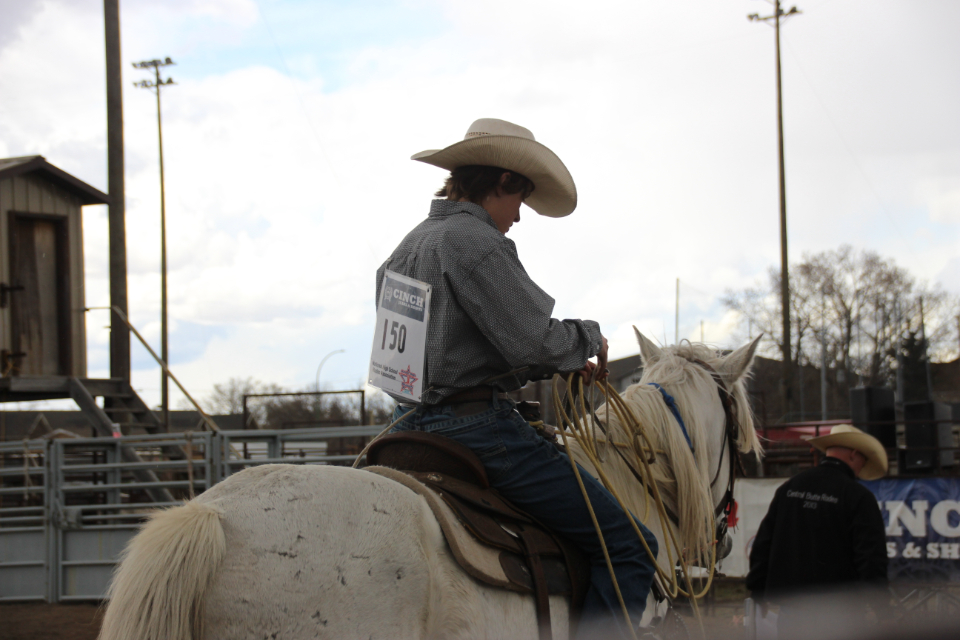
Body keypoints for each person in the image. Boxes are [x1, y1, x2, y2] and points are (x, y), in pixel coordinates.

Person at [377, 118, 658, 638]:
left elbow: (471, 348)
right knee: (632, 547)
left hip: (404, 428)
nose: (518, 219)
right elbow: (533, 340)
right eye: (520, 201)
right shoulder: (476, 243)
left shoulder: (406, 247)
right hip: (479, 434)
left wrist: (553, 360)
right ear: (504, 181)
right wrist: (586, 341)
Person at [747, 424, 890, 639]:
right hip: (841, 614)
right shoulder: (858, 497)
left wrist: (758, 592)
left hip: (793, 610)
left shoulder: (790, 488)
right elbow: (871, 558)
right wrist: (882, 610)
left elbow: (764, 543)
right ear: (853, 454)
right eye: (864, 461)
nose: (862, 468)